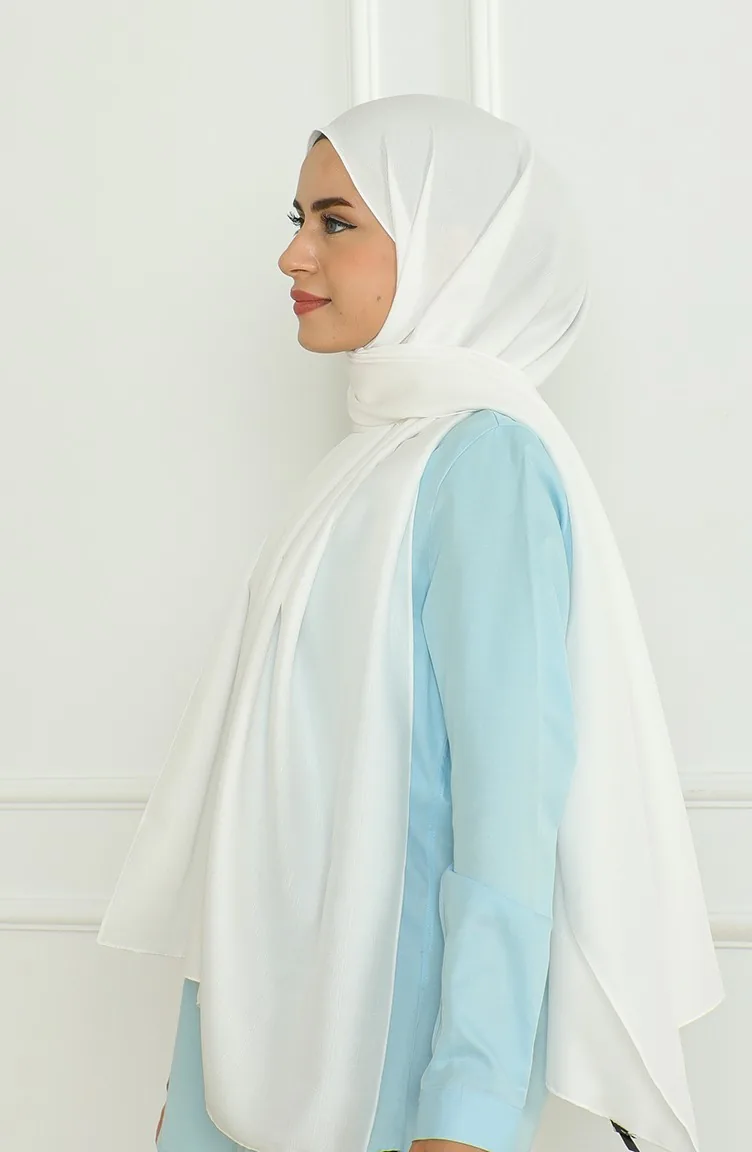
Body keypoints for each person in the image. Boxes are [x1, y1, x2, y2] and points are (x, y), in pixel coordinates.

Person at [97, 94, 723, 1152]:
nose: (294, 255)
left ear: (453, 248)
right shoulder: (357, 471)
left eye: (336, 222)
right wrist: (190, 1087)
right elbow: (258, 810)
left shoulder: (485, 466)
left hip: (399, 1077)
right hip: (255, 1062)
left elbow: (507, 816)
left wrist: (467, 1113)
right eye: (297, 219)